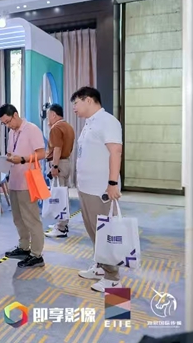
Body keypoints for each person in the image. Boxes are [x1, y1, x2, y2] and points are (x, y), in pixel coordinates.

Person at [71, 87, 123, 292]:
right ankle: (101, 266)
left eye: (76, 103)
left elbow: (116, 152)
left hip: (100, 189)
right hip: (86, 187)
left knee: (105, 233)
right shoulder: (89, 123)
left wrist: (112, 183)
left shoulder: (108, 121)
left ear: (89, 100)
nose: (74, 108)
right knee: (94, 231)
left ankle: (113, 278)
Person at [0, 104, 46, 268]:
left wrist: (23, 159)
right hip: (14, 180)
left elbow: (42, 153)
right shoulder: (12, 132)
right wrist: (9, 158)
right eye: (4, 123)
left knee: (31, 219)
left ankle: (37, 254)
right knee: (18, 218)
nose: (8, 125)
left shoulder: (32, 129)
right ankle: (24, 247)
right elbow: (13, 152)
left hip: (27, 181)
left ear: (15, 115)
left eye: (8, 121)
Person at [44, 104, 75, 238]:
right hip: (66, 162)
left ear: (53, 115)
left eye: (48, 115)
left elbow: (57, 148)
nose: (47, 119)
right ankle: (62, 223)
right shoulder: (68, 126)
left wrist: (54, 166)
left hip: (59, 163)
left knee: (59, 196)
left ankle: (61, 227)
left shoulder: (56, 128)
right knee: (63, 194)